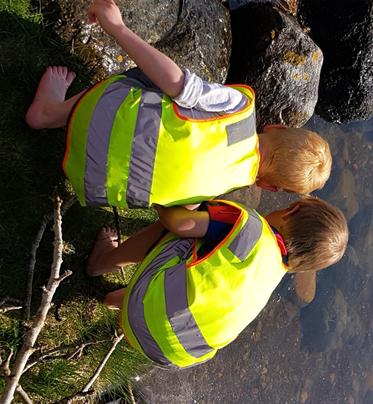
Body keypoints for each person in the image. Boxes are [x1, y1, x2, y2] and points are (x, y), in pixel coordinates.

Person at [25, 0, 332, 209]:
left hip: (92, 117)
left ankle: (50, 114)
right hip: (85, 181)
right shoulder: (226, 186)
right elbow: (181, 202)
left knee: (155, 82)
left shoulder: (240, 108)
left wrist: (117, 28)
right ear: (269, 187)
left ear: (275, 126)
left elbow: (177, 82)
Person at [87, 196, 348, 367]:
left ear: (292, 209)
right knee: (208, 277)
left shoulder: (250, 226)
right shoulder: (271, 278)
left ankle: (104, 260)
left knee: (191, 223)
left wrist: (160, 193)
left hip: (143, 313)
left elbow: (178, 222)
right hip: (169, 355)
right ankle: (119, 300)